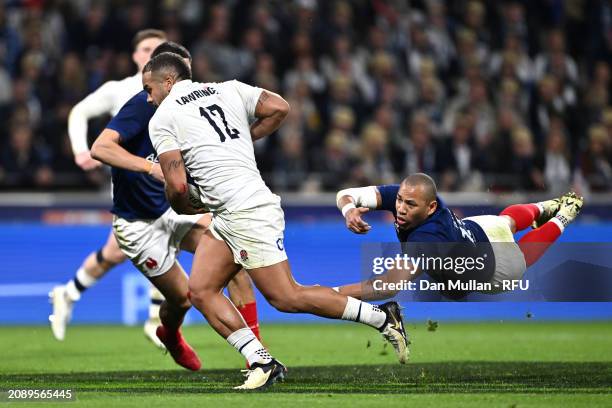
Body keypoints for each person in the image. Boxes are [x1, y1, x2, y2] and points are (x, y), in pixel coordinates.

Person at [144, 52, 409, 390]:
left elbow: (178, 185)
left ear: (168, 82)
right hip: (234, 211)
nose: (148, 97)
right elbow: (280, 107)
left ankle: (383, 316)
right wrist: (242, 139)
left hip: (246, 212)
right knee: (201, 290)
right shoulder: (228, 89)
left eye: (149, 88)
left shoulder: (163, 117)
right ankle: (261, 361)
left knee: (287, 297)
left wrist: (181, 205)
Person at [88, 41, 261, 369]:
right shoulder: (143, 105)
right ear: (164, 78)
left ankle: (257, 355)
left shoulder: (195, 106)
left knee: (235, 258)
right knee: (181, 299)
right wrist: (149, 167)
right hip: (137, 224)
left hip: (174, 208)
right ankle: (170, 334)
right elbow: (101, 148)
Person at [49, 29, 170, 347]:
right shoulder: (121, 90)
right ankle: (156, 318)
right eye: (146, 48)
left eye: (159, 48)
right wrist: (80, 150)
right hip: (133, 183)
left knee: (116, 252)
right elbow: (79, 112)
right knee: (161, 238)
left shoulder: (173, 91)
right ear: (134, 55)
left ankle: (68, 293)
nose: (151, 53)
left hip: (162, 178)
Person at [333, 173, 584, 300]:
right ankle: (545, 206)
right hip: (475, 230)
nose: (400, 208)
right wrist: (348, 210)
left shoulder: (428, 240)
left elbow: (387, 286)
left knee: (521, 258)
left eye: (409, 204)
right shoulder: (411, 195)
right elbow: (346, 193)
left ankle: (563, 216)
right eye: (399, 200)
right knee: (506, 221)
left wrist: (334, 293)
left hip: (492, 267)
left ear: (430, 207)